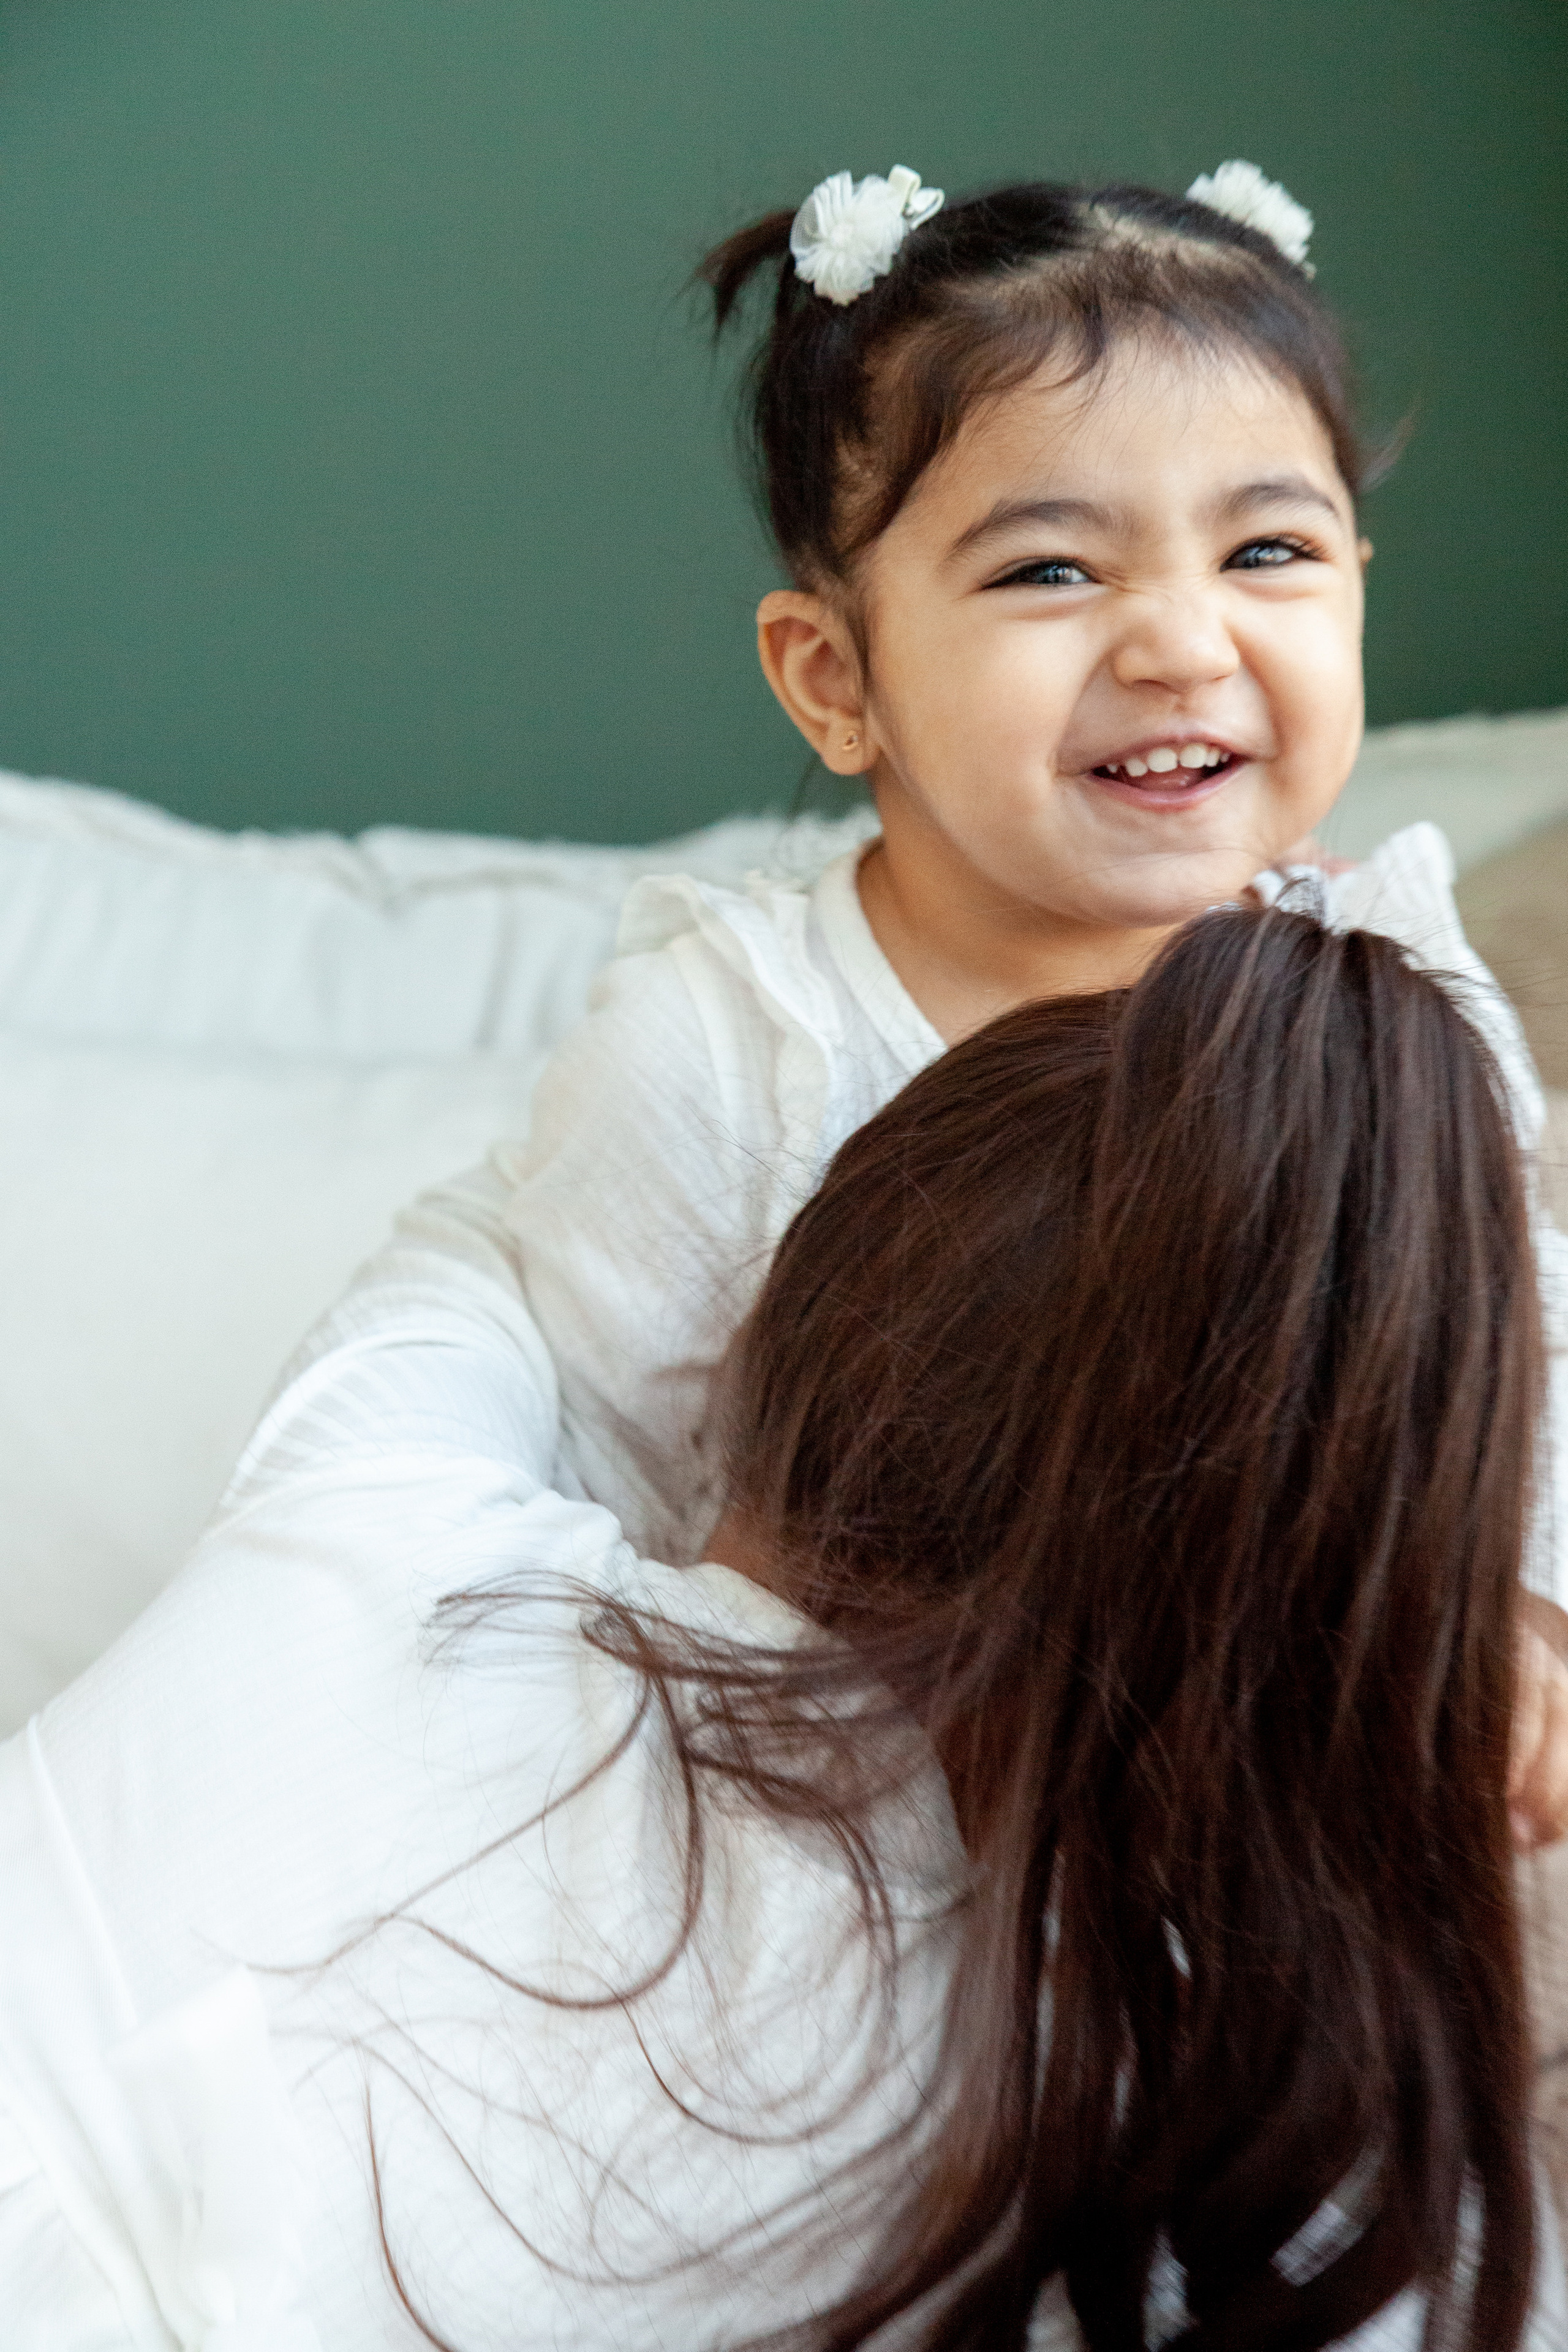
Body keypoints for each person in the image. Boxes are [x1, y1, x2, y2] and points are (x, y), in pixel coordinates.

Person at [0, 905, 1564, 2350]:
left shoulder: (365, 1523)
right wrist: (1416, 1621)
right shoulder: (1197, 2143)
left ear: (757, 1331)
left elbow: (482, 1236)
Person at [396, 164, 1568, 1653]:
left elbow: (1511, 1361)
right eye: (1049, 568)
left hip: (1288, 1754)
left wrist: (1519, 1622)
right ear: (836, 679)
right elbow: (621, 1502)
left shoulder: (1379, 970)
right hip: (873, 1769)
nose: (1180, 643)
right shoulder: (733, 1052)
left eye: (1265, 550)